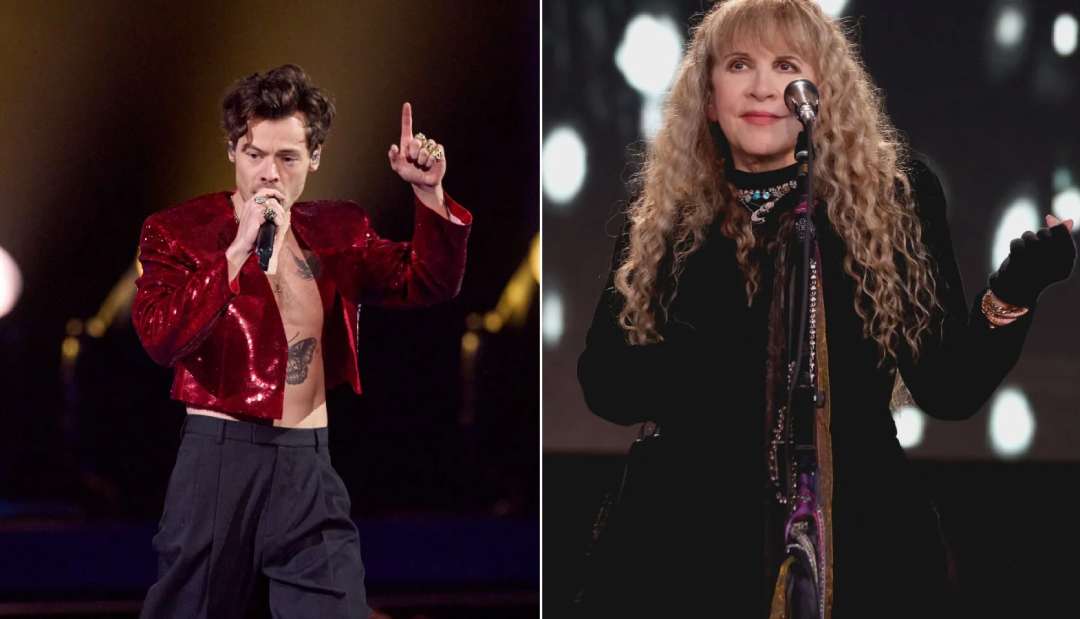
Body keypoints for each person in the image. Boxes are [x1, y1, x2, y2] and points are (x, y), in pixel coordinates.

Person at [575, 1, 1075, 617]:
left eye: (786, 65)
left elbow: (948, 387)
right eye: (738, 65)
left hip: (860, 544)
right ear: (708, 97)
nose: (762, 86)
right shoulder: (666, 216)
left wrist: (1016, 289)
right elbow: (606, 384)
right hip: (685, 545)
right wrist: (715, 353)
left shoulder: (894, 198)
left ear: (823, 91)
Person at [132, 64, 471, 618]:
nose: (269, 173)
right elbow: (158, 337)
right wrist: (235, 253)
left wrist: (429, 195)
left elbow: (427, 281)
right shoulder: (179, 231)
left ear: (313, 158)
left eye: (287, 157)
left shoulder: (340, 230)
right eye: (254, 154)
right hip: (219, 461)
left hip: (307, 464)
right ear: (232, 152)